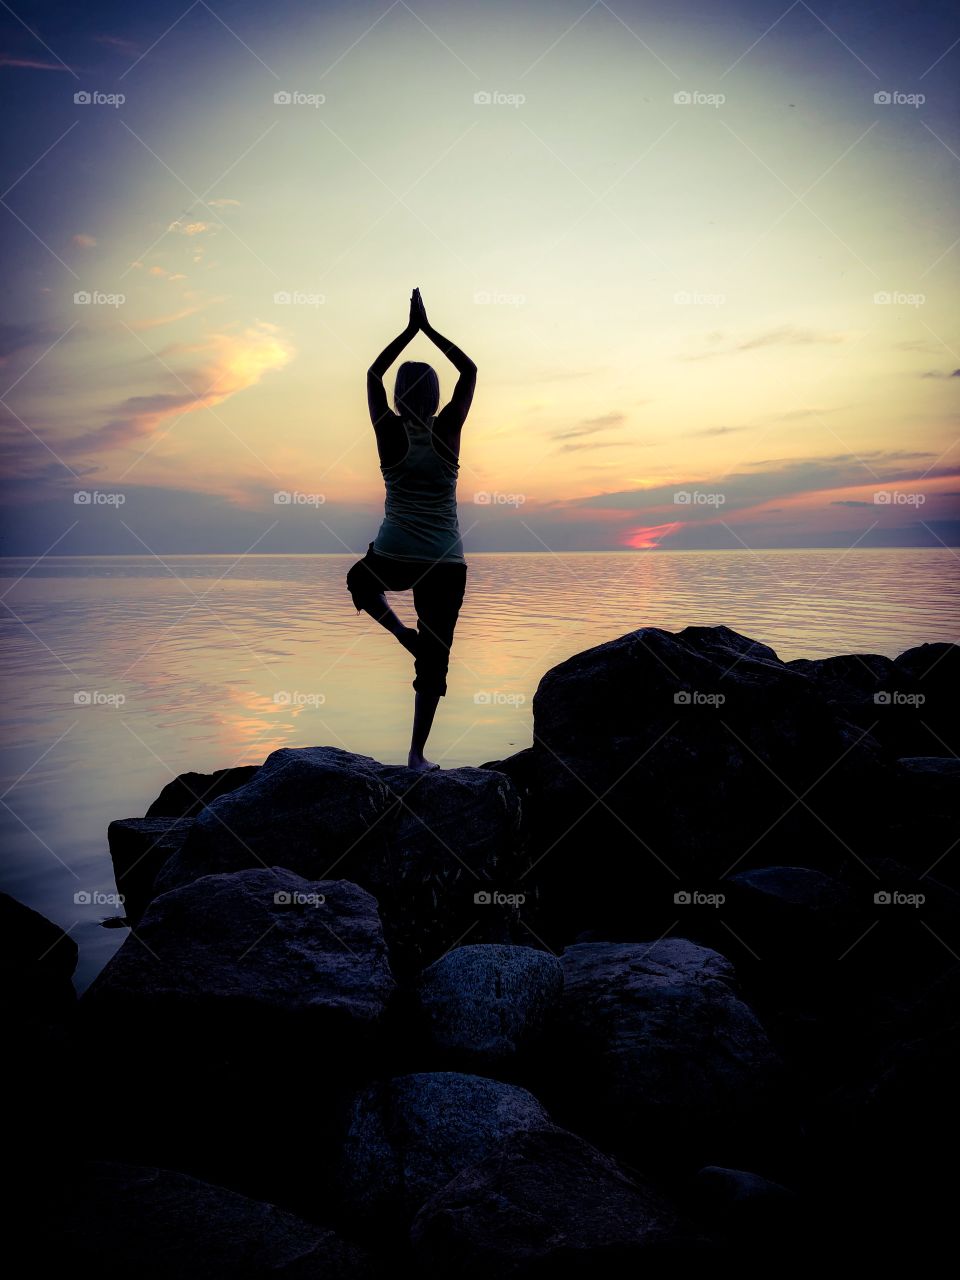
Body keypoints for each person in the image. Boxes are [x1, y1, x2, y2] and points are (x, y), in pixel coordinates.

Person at [346, 288, 476, 771]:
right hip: (445, 560)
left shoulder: (388, 431)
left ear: (399, 396)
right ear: (435, 396)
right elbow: (470, 371)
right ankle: (417, 755)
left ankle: (402, 634)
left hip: (395, 555)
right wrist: (430, 330)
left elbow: (372, 375)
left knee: (360, 579)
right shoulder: (449, 430)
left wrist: (408, 331)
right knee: (435, 660)